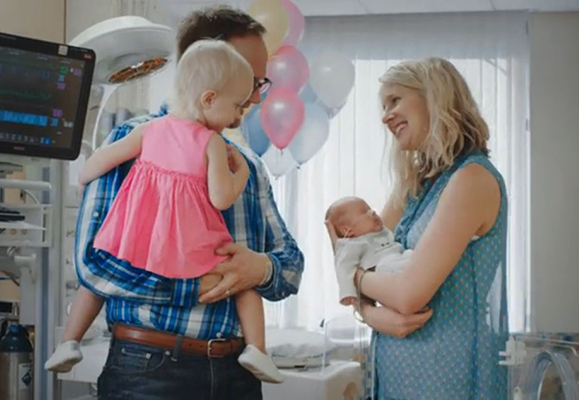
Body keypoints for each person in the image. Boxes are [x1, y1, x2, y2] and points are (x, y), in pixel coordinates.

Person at [69, 7, 304, 399]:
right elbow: (93, 267)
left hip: (236, 376)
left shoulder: (247, 167)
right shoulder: (133, 141)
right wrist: (197, 284)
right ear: (203, 70)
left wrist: (259, 268)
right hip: (148, 370)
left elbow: (291, 267)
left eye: (259, 82)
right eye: (248, 77)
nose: (255, 95)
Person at [326, 57, 508, 399]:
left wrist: (359, 283)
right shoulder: (415, 186)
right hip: (398, 375)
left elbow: (406, 295)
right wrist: (371, 314)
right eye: (383, 106)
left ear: (435, 97)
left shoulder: (472, 180)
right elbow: (355, 256)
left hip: (446, 377)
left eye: (395, 100)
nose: (385, 116)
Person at [325, 196, 413, 305]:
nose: (372, 212)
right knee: (385, 266)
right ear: (347, 230)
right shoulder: (353, 245)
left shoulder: (381, 232)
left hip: (400, 259)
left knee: (410, 254)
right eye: (364, 212)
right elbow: (344, 268)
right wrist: (347, 293)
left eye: (370, 209)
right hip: (384, 271)